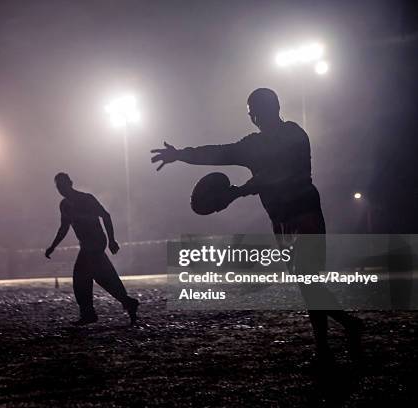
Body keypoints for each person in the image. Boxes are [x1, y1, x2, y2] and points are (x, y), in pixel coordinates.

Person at [151, 88, 363, 364]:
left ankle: (329, 343)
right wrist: (181, 154)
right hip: (281, 218)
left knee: (308, 279)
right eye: (251, 110)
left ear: (271, 108)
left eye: (254, 108)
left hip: (304, 212)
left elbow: (279, 173)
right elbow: (218, 152)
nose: (253, 114)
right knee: (307, 282)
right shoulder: (253, 144)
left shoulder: (293, 134)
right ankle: (341, 332)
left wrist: (237, 192)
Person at [45, 173, 139, 325]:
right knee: (102, 277)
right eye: (58, 187)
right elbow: (64, 227)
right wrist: (53, 246)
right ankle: (127, 302)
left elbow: (105, 216)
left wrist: (111, 240)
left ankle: (89, 313)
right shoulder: (65, 205)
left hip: (95, 242)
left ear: (70, 183)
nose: (61, 189)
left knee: (82, 276)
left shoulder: (86, 199)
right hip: (87, 245)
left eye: (63, 185)